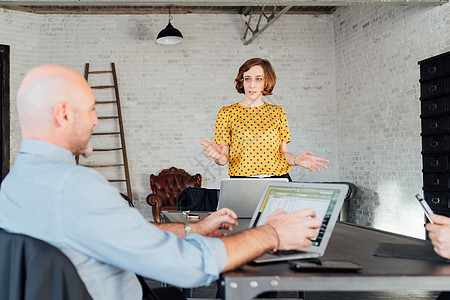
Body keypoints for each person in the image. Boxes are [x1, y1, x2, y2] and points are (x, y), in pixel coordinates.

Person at [0, 65, 322, 300]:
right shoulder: (78, 187)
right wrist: (272, 232)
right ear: (64, 114)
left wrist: (193, 228)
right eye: (91, 110)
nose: (96, 120)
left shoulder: (13, 187)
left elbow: (121, 233)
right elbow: (190, 267)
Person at [201, 58, 329, 181]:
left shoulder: (277, 112)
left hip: (278, 180)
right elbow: (223, 159)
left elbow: (283, 153)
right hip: (243, 182)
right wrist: (218, 157)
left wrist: (297, 160)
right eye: (247, 79)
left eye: (258, 79)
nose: (252, 85)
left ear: (266, 82)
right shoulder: (226, 113)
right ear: (242, 81)